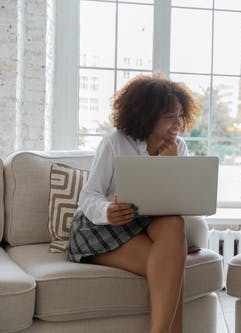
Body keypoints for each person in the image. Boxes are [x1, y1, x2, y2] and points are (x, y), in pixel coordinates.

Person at [66, 73, 201, 333]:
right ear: (147, 115)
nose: (178, 122)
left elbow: (176, 199)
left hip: (150, 220)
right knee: (171, 269)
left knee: (174, 224)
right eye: (169, 116)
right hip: (105, 225)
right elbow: (88, 196)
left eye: (181, 115)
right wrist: (107, 210)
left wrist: (170, 164)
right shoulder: (115, 142)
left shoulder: (179, 146)